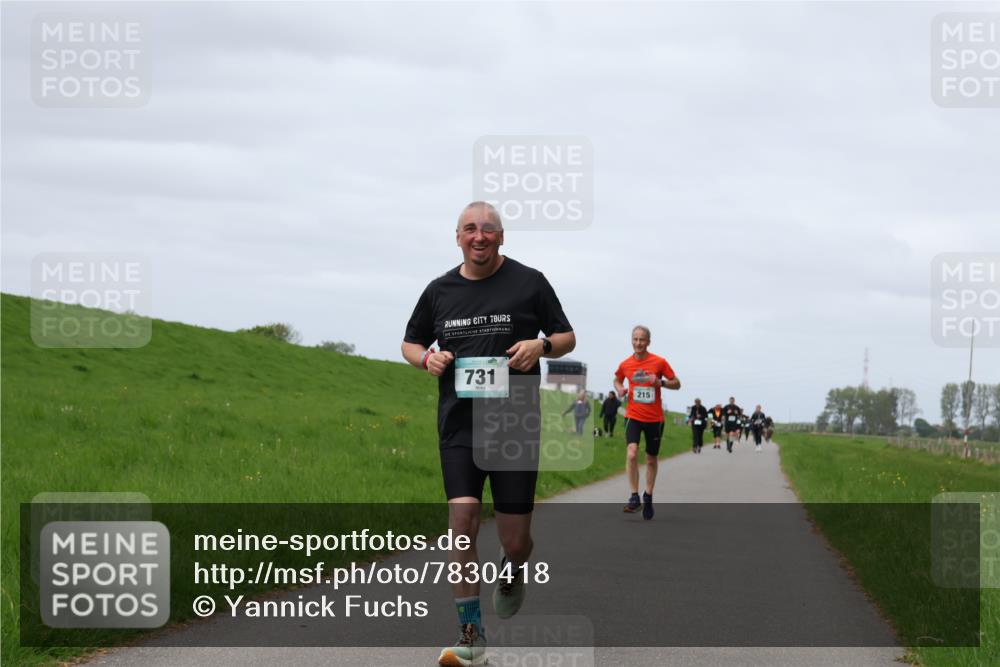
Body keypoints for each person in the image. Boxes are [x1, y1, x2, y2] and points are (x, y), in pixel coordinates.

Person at [402, 202, 576, 666]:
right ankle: (471, 634)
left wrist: (541, 344)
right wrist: (427, 358)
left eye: (488, 229)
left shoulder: (529, 282)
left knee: (516, 541)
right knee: (462, 525)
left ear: (501, 237)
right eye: (469, 229)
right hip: (459, 425)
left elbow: (567, 337)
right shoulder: (439, 290)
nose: (478, 236)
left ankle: (513, 568)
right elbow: (410, 342)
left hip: (514, 426)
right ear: (457, 237)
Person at [614, 325, 681, 520]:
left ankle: (648, 495)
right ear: (631, 340)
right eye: (635, 339)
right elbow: (617, 379)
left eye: (642, 339)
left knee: (651, 459)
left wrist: (661, 382)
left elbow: (677, 383)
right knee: (632, 452)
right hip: (633, 416)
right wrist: (620, 389)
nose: (638, 343)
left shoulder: (659, 362)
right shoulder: (625, 364)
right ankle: (634, 496)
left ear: (648, 342)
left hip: (654, 419)